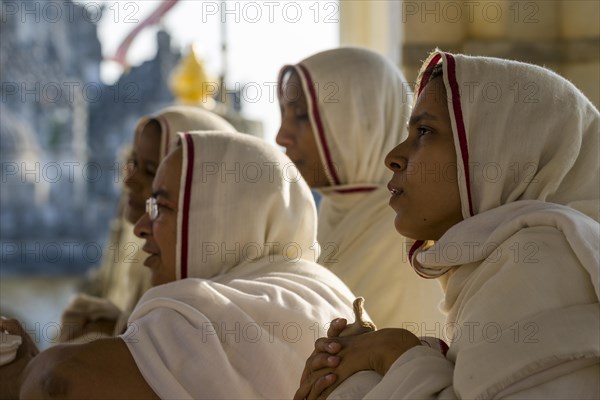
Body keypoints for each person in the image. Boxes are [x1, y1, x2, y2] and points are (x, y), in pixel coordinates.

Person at [295, 50, 600, 399]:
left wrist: (392, 352)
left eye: (424, 131)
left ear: (497, 154)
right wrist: (369, 354)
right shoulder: (503, 261)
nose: (393, 157)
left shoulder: (541, 257)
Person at [1, 130, 358, 399]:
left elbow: (57, 381)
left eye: (160, 207)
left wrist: (21, 372)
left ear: (220, 219)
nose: (140, 226)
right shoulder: (317, 286)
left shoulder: (214, 309)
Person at [276, 47, 445, 330]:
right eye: (284, 114)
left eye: (302, 116)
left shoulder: (411, 234)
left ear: (360, 122)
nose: (281, 135)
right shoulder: (325, 215)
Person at [59, 105, 237, 342]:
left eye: (151, 170)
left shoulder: (206, 299)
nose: (130, 180)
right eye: (132, 163)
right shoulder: (145, 255)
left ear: (199, 190)